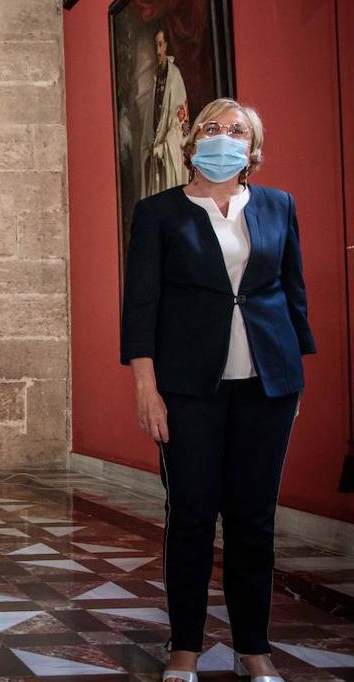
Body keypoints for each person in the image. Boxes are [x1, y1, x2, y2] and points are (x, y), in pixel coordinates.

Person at [121, 98, 313, 682]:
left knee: (254, 520)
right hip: (187, 388)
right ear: (192, 139)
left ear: (252, 149)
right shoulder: (158, 212)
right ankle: (185, 647)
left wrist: (290, 378)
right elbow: (142, 306)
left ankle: (253, 648)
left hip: (267, 387)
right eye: (213, 127)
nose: (223, 137)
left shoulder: (279, 206)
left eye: (237, 131)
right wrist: (146, 388)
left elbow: (292, 293)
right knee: (192, 516)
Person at [143, 28, 190, 196]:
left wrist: (165, 147)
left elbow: (180, 122)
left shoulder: (174, 78)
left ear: (167, 46)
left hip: (169, 154)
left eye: (160, 45)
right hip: (157, 158)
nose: (157, 51)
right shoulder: (156, 81)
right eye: (156, 45)